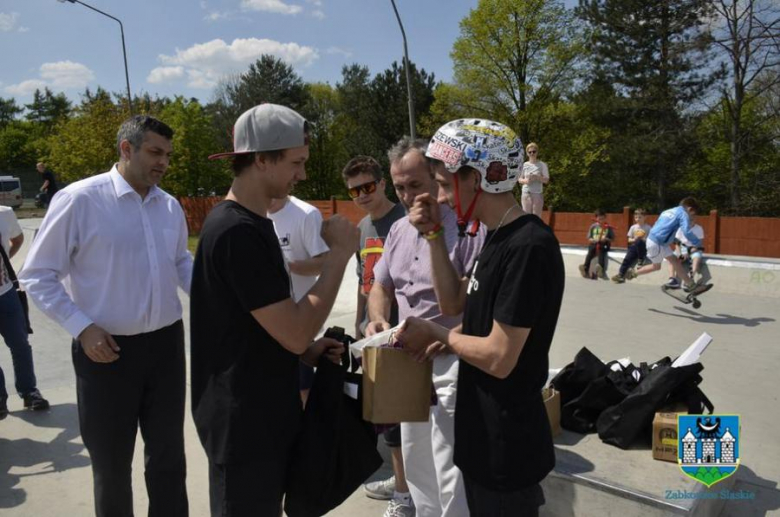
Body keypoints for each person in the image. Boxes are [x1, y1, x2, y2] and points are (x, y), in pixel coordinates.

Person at [19, 116, 192, 517]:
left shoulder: (168, 205)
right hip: (105, 352)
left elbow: (181, 262)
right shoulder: (80, 200)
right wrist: (82, 328)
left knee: (169, 460)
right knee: (112, 467)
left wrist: (220, 297)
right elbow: (38, 275)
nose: (163, 162)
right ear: (126, 149)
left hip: (166, 347)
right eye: (154, 152)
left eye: (167, 154)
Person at [191, 103, 359, 516]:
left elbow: (259, 325)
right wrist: (338, 255)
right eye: (296, 162)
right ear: (262, 160)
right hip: (243, 426)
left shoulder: (254, 223)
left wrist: (305, 352)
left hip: (261, 415)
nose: (301, 174)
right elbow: (295, 329)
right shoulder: (236, 231)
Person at [397, 119, 565, 516]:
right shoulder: (496, 236)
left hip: (507, 445)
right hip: (483, 436)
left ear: (474, 178)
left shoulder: (528, 247)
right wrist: (434, 236)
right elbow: (455, 303)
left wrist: (439, 333)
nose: (439, 197)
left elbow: (499, 356)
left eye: (442, 183)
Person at [366, 138, 483, 517]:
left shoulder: (470, 229)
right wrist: (378, 317)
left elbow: (483, 307)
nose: (405, 195)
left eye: (414, 185)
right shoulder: (398, 230)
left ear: (437, 177)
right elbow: (380, 285)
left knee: (452, 469)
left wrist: (453, 337)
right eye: (399, 187)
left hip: (452, 360)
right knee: (418, 462)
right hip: (407, 362)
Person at [341, 155, 411, 513]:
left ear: (383, 183)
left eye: (368, 186)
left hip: (405, 331)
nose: (361, 195)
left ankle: (404, 495)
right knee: (387, 417)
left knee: (401, 418)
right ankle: (403, 484)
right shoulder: (363, 228)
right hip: (374, 333)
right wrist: (357, 323)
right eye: (354, 190)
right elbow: (363, 282)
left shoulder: (404, 220)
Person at [268, 195, 330, 403]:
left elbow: (323, 263)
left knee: (302, 388)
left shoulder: (306, 214)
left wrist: (286, 266)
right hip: (265, 321)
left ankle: (306, 432)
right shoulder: (252, 211)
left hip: (297, 320)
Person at [0, 206, 49, 420]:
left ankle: (29, 391)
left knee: (20, 344)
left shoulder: (4, 213)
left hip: (5, 293)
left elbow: (18, 239)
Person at [627, 197, 703, 292]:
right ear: (690, 209)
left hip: (659, 241)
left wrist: (673, 239)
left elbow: (661, 225)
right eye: (693, 214)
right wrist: (697, 243)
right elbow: (686, 231)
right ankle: (633, 273)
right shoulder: (683, 214)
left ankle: (690, 284)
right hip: (657, 243)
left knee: (675, 261)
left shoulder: (668, 211)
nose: (692, 217)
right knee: (656, 266)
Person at [612, 208, 651, 283]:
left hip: (643, 247)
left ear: (645, 217)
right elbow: (629, 240)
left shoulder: (648, 228)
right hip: (633, 247)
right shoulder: (633, 227)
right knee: (627, 259)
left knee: (640, 241)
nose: (638, 219)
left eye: (640, 217)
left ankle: (641, 259)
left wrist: (642, 239)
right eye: (636, 217)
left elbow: (650, 240)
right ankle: (620, 275)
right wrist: (634, 239)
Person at [665, 222, 705, 289]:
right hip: (682, 248)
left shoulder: (699, 228)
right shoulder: (681, 228)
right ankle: (672, 279)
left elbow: (699, 244)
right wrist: (680, 254)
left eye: (694, 215)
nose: (692, 217)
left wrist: (688, 252)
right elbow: (677, 243)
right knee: (672, 258)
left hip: (694, 249)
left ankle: (689, 280)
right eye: (690, 215)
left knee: (697, 258)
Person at [578, 209, 614, 280]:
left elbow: (612, 239)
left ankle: (600, 268)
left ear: (605, 218)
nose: (601, 220)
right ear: (596, 218)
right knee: (590, 252)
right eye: (599, 218)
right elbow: (589, 238)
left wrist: (606, 239)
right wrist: (593, 240)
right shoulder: (593, 226)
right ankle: (585, 267)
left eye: (602, 218)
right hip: (594, 243)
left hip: (604, 244)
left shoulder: (608, 227)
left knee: (601, 251)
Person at [517, 142, 549, 216]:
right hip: (526, 193)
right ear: (527, 153)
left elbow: (546, 180)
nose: (532, 153)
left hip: (537, 194)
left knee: (536, 217)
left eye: (534, 151)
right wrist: (526, 181)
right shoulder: (524, 165)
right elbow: (519, 179)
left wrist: (537, 177)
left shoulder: (542, 165)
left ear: (537, 152)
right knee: (526, 217)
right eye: (529, 152)